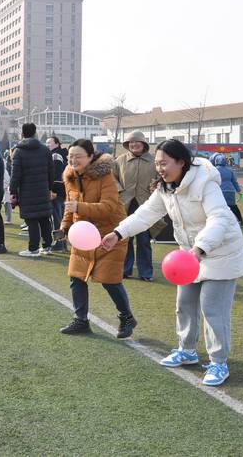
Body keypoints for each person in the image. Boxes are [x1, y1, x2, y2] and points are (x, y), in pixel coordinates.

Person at [102, 139, 243, 386]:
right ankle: (187, 350)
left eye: (164, 163)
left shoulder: (205, 183)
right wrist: (118, 233)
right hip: (189, 256)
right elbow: (145, 214)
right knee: (184, 304)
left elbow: (220, 218)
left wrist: (200, 247)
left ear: (181, 162)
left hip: (219, 253)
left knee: (213, 309)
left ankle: (218, 362)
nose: (160, 168)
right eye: (157, 163)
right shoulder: (164, 188)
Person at [55, 139, 137, 339]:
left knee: (109, 280)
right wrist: (64, 227)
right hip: (82, 234)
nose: (73, 160)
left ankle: (127, 318)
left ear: (91, 157)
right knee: (76, 277)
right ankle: (80, 320)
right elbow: (69, 206)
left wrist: (79, 208)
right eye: (70, 156)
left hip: (110, 234)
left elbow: (109, 207)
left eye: (78, 156)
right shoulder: (70, 177)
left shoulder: (105, 176)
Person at [114, 130, 156, 282]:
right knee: (125, 238)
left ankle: (146, 272)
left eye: (137, 142)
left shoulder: (153, 161)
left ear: (144, 144)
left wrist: (156, 186)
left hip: (146, 205)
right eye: (130, 142)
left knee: (144, 241)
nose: (133, 145)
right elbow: (113, 178)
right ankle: (125, 270)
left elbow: (160, 178)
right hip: (125, 205)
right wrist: (120, 191)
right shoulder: (120, 160)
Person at [10, 123, 55, 257]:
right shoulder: (45, 150)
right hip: (42, 189)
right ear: (35, 134)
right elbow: (51, 170)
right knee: (44, 218)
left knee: (32, 220)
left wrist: (12, 191)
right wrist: (49, 187)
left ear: (22, 134)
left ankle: (33, 248)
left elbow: (15, 174)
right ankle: (47, 246)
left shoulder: (19, 151)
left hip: (27, 191)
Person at [210, 153, 243, 226]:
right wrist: (238, 191)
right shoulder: (230, 170)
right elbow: (234, 181)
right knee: (233, 206)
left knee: (218, 206)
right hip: (231, 191)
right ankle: (240, 221)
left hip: (220, 191)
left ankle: (218, 221)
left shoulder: (214, 170)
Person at [47, 137, 67, 252]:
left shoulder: (55, 155)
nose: (47, 144)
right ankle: (62, 244)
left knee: (57, 219)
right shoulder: (60, 154)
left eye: (49, 142)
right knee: (61, 218)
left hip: (57, 192)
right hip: (62, 191)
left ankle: (59, 244)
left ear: (57, 143)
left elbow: (56, 175)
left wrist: (52, 190)